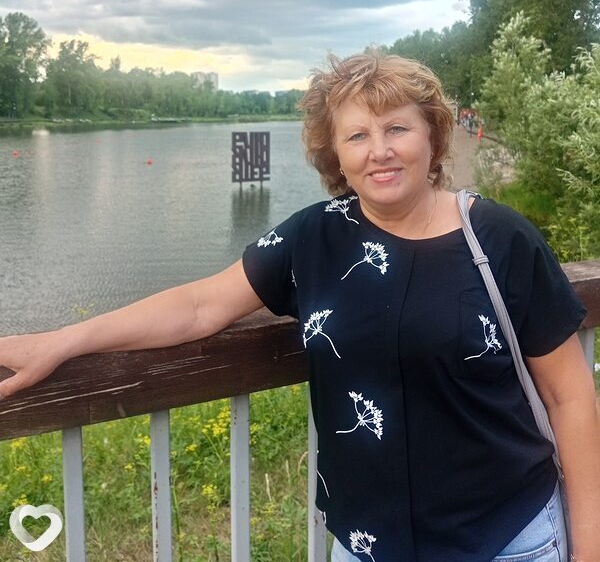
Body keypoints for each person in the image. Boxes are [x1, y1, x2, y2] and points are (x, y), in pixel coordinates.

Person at [0, 52, 598, 562]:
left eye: (397, 128)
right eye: (357, 136)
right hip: (366, 544)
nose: (379, 151)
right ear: (334, 153)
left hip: (507, 537)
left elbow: (570, 397)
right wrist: (64, 341)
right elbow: (200, 306)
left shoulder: (500, 240)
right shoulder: (313, 237)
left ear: (433, 137)